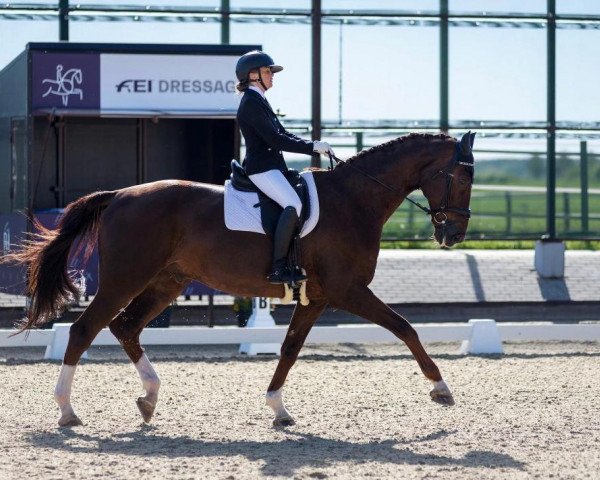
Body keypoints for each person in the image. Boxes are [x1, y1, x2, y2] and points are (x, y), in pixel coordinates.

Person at [235, 50, 334, 284]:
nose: (272, 76)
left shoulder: (259, 100)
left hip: (272, 167)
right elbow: (276, 140)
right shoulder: (250, 103)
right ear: (253, 75)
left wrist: (313, 145)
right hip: (261, 169)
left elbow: (283, 134)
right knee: (293, 203)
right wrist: (312, 148)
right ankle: (278, 267)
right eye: (268, 71)